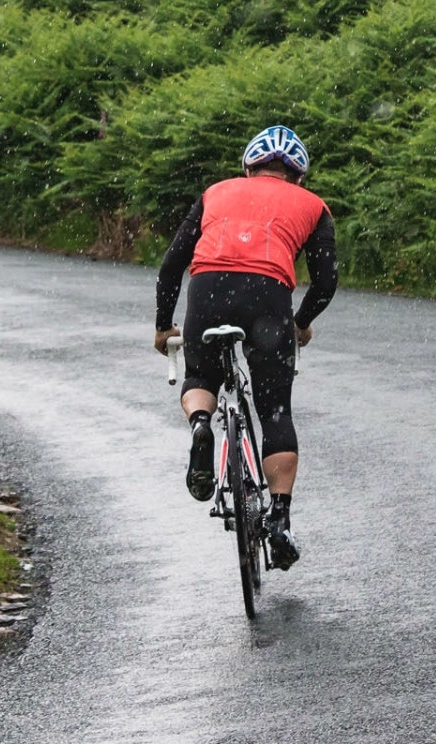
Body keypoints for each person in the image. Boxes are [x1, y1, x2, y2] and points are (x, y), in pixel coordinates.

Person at [154, 125, 337, 570]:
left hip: (207, 288)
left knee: (200, 376)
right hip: (267, 296)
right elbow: (326, 281)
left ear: (248, 168)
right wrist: (300, 323)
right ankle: (279, 520)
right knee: (275, 410)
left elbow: (172, 264)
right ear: (297, 176)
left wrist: (164, 326)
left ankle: (201, 423)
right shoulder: (313, 206)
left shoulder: (216, 192)